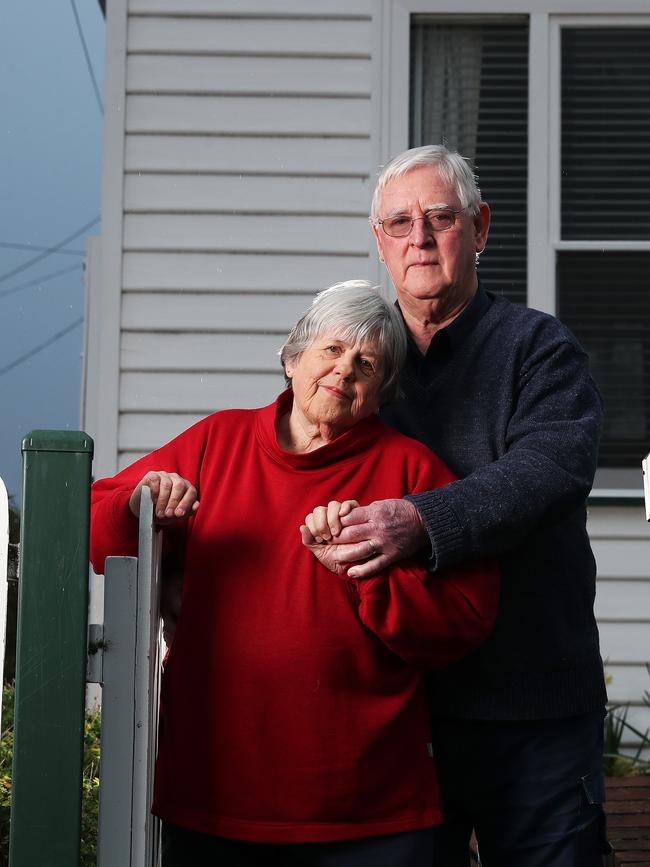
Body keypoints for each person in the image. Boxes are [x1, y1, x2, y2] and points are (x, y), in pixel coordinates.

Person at [90, 281, 499, 867]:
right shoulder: (217, 442)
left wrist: (365, 571)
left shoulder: (411, 469)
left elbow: (464, 620)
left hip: (368, 809)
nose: (344, 371)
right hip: (216, 794)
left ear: (381, 394)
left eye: (366, 363)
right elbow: (100, 534)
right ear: (292, 358)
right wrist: (145, 503)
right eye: (331, 350)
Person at [303, 147, 608, 866]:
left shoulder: (538, 348)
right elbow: (293, 455)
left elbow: (550, 468)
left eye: (441, 218)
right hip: (401, 712)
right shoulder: (360, 365)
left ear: (480, 228)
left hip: (535, 708)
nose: (421, 238)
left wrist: (420, 519)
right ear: (380, 241)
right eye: (400, 222)